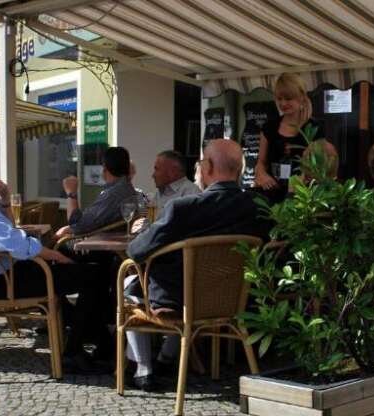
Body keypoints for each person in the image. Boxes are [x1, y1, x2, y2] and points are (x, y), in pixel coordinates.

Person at [0, 141, 105, 373]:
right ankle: (74, 350)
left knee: (75, 272)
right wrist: (54, 255)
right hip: (1, 282)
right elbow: (17, 244)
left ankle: (90, 336)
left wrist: (5, 199)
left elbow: (6, 233)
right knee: (93, 275)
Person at [122, 139, 271, 391]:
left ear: (208, 167)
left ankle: (144, 369)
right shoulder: (257, 207)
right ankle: (166, 359)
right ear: (239, 169)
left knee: (128, 282)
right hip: (235, 300)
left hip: (180, 301)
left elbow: (136, 251)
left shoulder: (183, 208)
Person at [253, 73, 325, 202]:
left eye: (288, 98)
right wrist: (262, 175)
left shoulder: (315, 128)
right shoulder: (269, 127)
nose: (283, 103)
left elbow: (319, 166)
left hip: (302, 197)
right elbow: (261, 162)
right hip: (271, 194)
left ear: (301, 97)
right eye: (279, 99)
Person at [55, 147, 137, 239]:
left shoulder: (113, 194)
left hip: (96, 246)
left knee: (46, 246)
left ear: (105, 168)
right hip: (106, 243)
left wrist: (71, 193)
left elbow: (78, 225)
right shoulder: (127, 189)